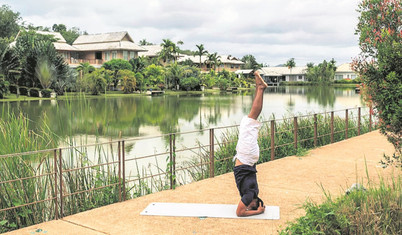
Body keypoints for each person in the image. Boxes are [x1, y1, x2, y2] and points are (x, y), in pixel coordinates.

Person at [233, 70, 267, 217]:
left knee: (248, 122)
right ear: (255, 201)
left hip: (249, 158)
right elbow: (239, 213)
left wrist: (255, 208)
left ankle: (258, 87)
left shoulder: (253, 192)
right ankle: (260, 88)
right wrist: (257, 211)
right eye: (251, 206)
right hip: (247, 157)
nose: (248, 206)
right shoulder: (250, 194)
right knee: (250, 121)